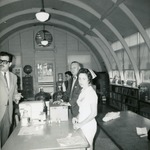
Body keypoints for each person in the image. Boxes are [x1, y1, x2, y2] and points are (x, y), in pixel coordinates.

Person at [0, 51, 22, 148]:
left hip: (8, 111)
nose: (1, 63)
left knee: (5, 140)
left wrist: (16, 97)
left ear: (10, 64)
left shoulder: (14, 77)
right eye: (0, 61)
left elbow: (14, 93)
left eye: (4, 61)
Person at [72, 68, 98, 150]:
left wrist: (81, 124)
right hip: (82, 122)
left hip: (89, 125)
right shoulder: (82, 91)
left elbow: (94, 113)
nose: (81, 81)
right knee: (81, 147)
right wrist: (77, 117)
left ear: (89, 80)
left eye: (84, 79)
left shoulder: (91, 93)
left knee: (88, 147)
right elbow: (82, 110)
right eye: (79, 78)